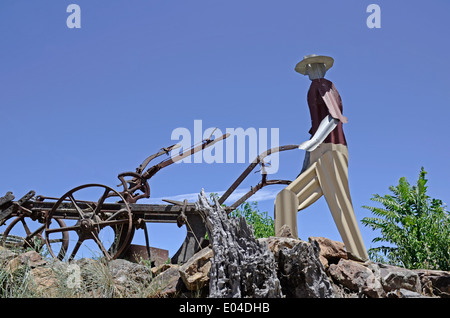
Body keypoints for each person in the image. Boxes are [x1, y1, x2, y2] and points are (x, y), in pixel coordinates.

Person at [274, 54, 369, 261]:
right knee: (286, 198)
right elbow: (318, 127)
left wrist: (314, 142)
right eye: (309, 68)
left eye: (314, 67)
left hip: (331, 150)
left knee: (341, 205)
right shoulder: (319, 86)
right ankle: (289, 254)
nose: (312, 71)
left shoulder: (322, 85)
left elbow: (334, 117)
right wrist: (306, 164)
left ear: (321, 69)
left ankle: (361, 259)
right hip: (321, 151)